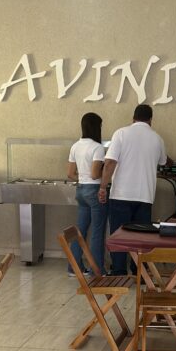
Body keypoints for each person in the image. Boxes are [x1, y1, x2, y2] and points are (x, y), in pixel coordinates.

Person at [99, 104, 170, 275]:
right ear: (151, 120)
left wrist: (103, 187)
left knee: (119, 235)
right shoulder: (157, 138)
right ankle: (139, 272)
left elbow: (110, 162)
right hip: (145, 196)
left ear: (133, 118)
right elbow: (163, 162)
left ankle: (119, 272)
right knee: (141, 238)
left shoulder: (121, 133)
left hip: (121, 194)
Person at [66, 112, 108, 276]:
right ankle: (97, 270)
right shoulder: (97, 148)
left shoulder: (75, 146)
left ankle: (74, 268)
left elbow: (70, 173)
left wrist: (82, 177)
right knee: (97, 231)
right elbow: (95, 174)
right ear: (97, 127)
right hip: (95, 191)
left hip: (81, 189)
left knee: (80, 230)